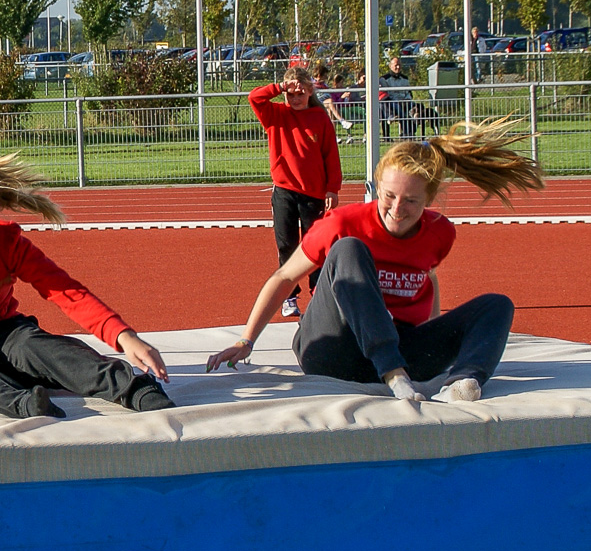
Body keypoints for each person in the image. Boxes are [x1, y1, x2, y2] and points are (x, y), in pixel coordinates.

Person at [207, 117, 544, 403]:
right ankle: (393, 375)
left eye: (411, 201)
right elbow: (284, 278)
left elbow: (428, 276)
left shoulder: (440, 231)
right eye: (389, 196)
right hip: (332, 350)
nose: (397, 210)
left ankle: (463, 382)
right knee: (349, 249)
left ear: (430, 198)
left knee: (497, 305)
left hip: (402, 349)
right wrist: (245, 340)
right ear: (376, 188)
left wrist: (433, 329)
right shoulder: (343, 223)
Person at [0, 154, 175, 419]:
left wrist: (124, 336)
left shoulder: (8, 243)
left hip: (5, 336)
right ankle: (25, 404)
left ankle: (134, 388)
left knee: (35, 344)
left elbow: (66, 291)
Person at [248, 66, 343, 318]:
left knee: (315, 246)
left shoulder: (320, 119)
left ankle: (319, 292)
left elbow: (330, 156)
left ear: (311, 92)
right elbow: (254, 97)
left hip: (313, 194)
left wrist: (332, 188)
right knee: (286, 245)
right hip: (284, 192)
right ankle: (289, 296)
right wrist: (280, 87)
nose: (296, 98)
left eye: (301, 93)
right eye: (291, 94)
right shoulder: (275, 114)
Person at [379, 57, 413, 140]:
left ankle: (411, 131)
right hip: (390, 103)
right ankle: (406, 133)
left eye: (399, 65)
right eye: (396, 65)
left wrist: (407, 100)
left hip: (404, 100)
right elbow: (385, 95)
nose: (398, 67)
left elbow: (408, 92)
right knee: (394, 108)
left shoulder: (405, 78)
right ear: (390, 66)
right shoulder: (384, 79)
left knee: (415, 107)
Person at [313, 63, 353, 130]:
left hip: (324, 103)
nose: (326, 78)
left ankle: (333, 135)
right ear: (319, 75)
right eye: (325, 76)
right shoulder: (312, 84)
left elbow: (328, 94)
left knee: (331, 114)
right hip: (316, 103)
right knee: (330, 101)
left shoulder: (324, 84)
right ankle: (342, 121)